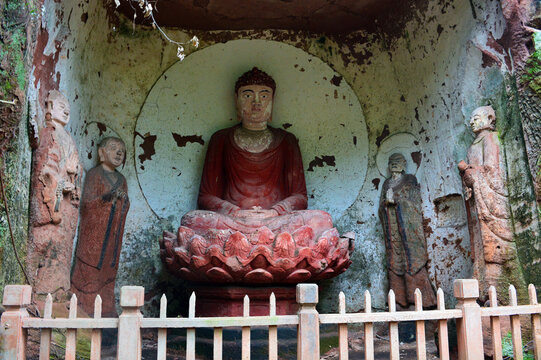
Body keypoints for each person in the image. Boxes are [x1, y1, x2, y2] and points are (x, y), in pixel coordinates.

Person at [181, 67, 332, 237]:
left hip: (276, 221)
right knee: (192, 220)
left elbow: (300, 196)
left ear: (273, 101)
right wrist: (235, 212)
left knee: (321, 220)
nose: (257, 102)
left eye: (265, 95)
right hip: (233, 221)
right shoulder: (221, 139)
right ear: (236, 101)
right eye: (247, 95)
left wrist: (275, 212)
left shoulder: (286, 140)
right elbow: (205, 196)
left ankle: (250, 242)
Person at [458, 106, 525, 302]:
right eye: (471, 119)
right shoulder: (472, 146)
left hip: (491, 200)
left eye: (476, 118)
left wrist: (470, 172)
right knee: (480, 246)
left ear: (489, 119)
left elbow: (492, 171)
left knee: (497, 245)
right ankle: (484, 288)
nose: (472, 122)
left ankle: (499, 290)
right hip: (479, 202)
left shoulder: (490, 139)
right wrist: (467, 175)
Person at [28, 90, 81, 301]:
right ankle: (40, 296)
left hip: (65, 208)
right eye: (50, 105)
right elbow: (44, 171)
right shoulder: (48, 135)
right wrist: (62, 182)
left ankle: (59, 294)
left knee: (62, 250)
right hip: (53, 205)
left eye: (59, 106)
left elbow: (74, 171)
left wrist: (73, 176)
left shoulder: (68, 139)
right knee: (46, 244)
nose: (50, 110)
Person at [71, 137, 130, 317]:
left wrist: (122, 200)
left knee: (108, 273)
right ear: (101, 153)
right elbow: (87, 205)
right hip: (95, 236)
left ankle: (106, 309)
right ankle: (84, 306)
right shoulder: (95, 174)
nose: (119, 153)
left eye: (122, 150)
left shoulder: (122, 179)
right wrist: (107, 198)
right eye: (114, 148)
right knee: (88, 271)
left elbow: (125, 207)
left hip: (112, 236)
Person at [378, 153, 436, 309]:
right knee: (394, 263)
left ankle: (423, 302)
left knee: (412, 262)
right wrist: (386, 204)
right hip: (393, 230)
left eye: (398, 162)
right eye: (391, 162)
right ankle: (399, 302)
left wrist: (396, 202)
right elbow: (380, 209)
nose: (394, 165)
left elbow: (414, 203)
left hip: (409, 233)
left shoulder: (409, 180)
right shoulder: (386, 184)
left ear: (404, 165)